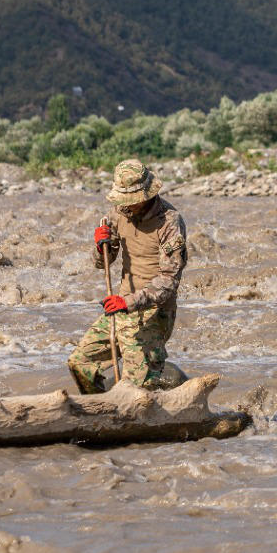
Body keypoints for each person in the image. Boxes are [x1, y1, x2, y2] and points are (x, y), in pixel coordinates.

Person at [67, 159, 187, 393]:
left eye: (131, 200)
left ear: (145, 195)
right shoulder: (117, 213)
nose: (126, 206)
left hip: (154, 310)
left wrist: (128, 302)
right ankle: (102, 409)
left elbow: (168, 281)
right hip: (120, 306)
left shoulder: (169, 221)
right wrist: (101, 245)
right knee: (79, 362)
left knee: (138, 388)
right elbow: (102, 263)